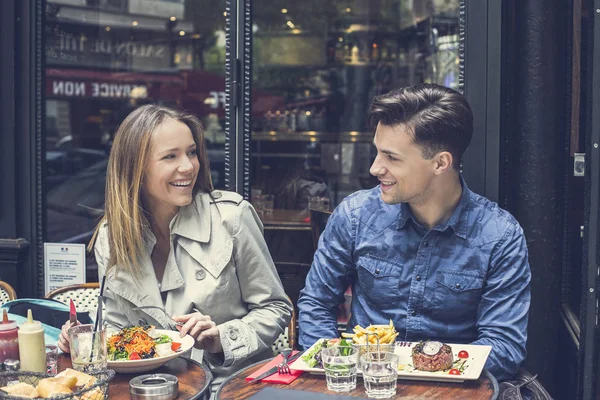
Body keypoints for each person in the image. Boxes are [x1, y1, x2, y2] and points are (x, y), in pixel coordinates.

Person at [297, 84, 530, 381]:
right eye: (377, 152)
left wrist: (425, 375)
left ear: (440, 163)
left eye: (391, 158)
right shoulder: (355, 215)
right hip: (365, 386)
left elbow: (503, 346)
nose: (374, 168)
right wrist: (337, 370)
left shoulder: (500, 236)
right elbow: (316, 303)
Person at [58, 104, 292, 394]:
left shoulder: (231, 217)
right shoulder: (111, 236)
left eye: (191, 152)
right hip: (151, 388)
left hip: (233, 386)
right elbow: (117, 332)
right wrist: (84, 341)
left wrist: (221, 337)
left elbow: (276, 308)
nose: (188, 166)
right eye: (171, 156)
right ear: (136, 168)